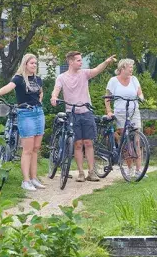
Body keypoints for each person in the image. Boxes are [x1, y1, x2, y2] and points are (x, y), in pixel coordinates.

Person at [50, 51, 116, 182]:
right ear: (70, 62)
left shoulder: (84, 73)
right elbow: (56, 89)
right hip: (72, 113)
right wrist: (54, 97)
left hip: (86, 112)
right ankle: (80, 172)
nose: (81, 62)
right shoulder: (62, 77)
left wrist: (106, 62)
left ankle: (91, 172)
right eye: (78, 60)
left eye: (81, 60)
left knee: (88, 142)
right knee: (78, 144)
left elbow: (97, 69)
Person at [0, 54, 47, 191]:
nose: (34, 65)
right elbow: (8, 87)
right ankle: (25, 181)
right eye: (32, 63)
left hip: (38, 113)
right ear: (25, 64)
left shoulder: (38, 79)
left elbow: (41, 92)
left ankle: (34, 178)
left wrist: (39, 100)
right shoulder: (19, 79)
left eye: (35, 63)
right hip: (25, 114)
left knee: (36, 148)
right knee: (27, 149)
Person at [105, 58, 145, 174]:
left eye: (132, 68)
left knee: (136, 140)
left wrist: (141, 97)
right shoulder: (113, 81)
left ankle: (139, 170)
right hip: (121, 113)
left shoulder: (134, 80)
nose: (132, 70)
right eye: (130, 68)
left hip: (133, 112)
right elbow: (107, 97)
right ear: (122, 68)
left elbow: (139, 92)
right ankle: (129, 168)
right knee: (126, 141)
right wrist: (109, 111)